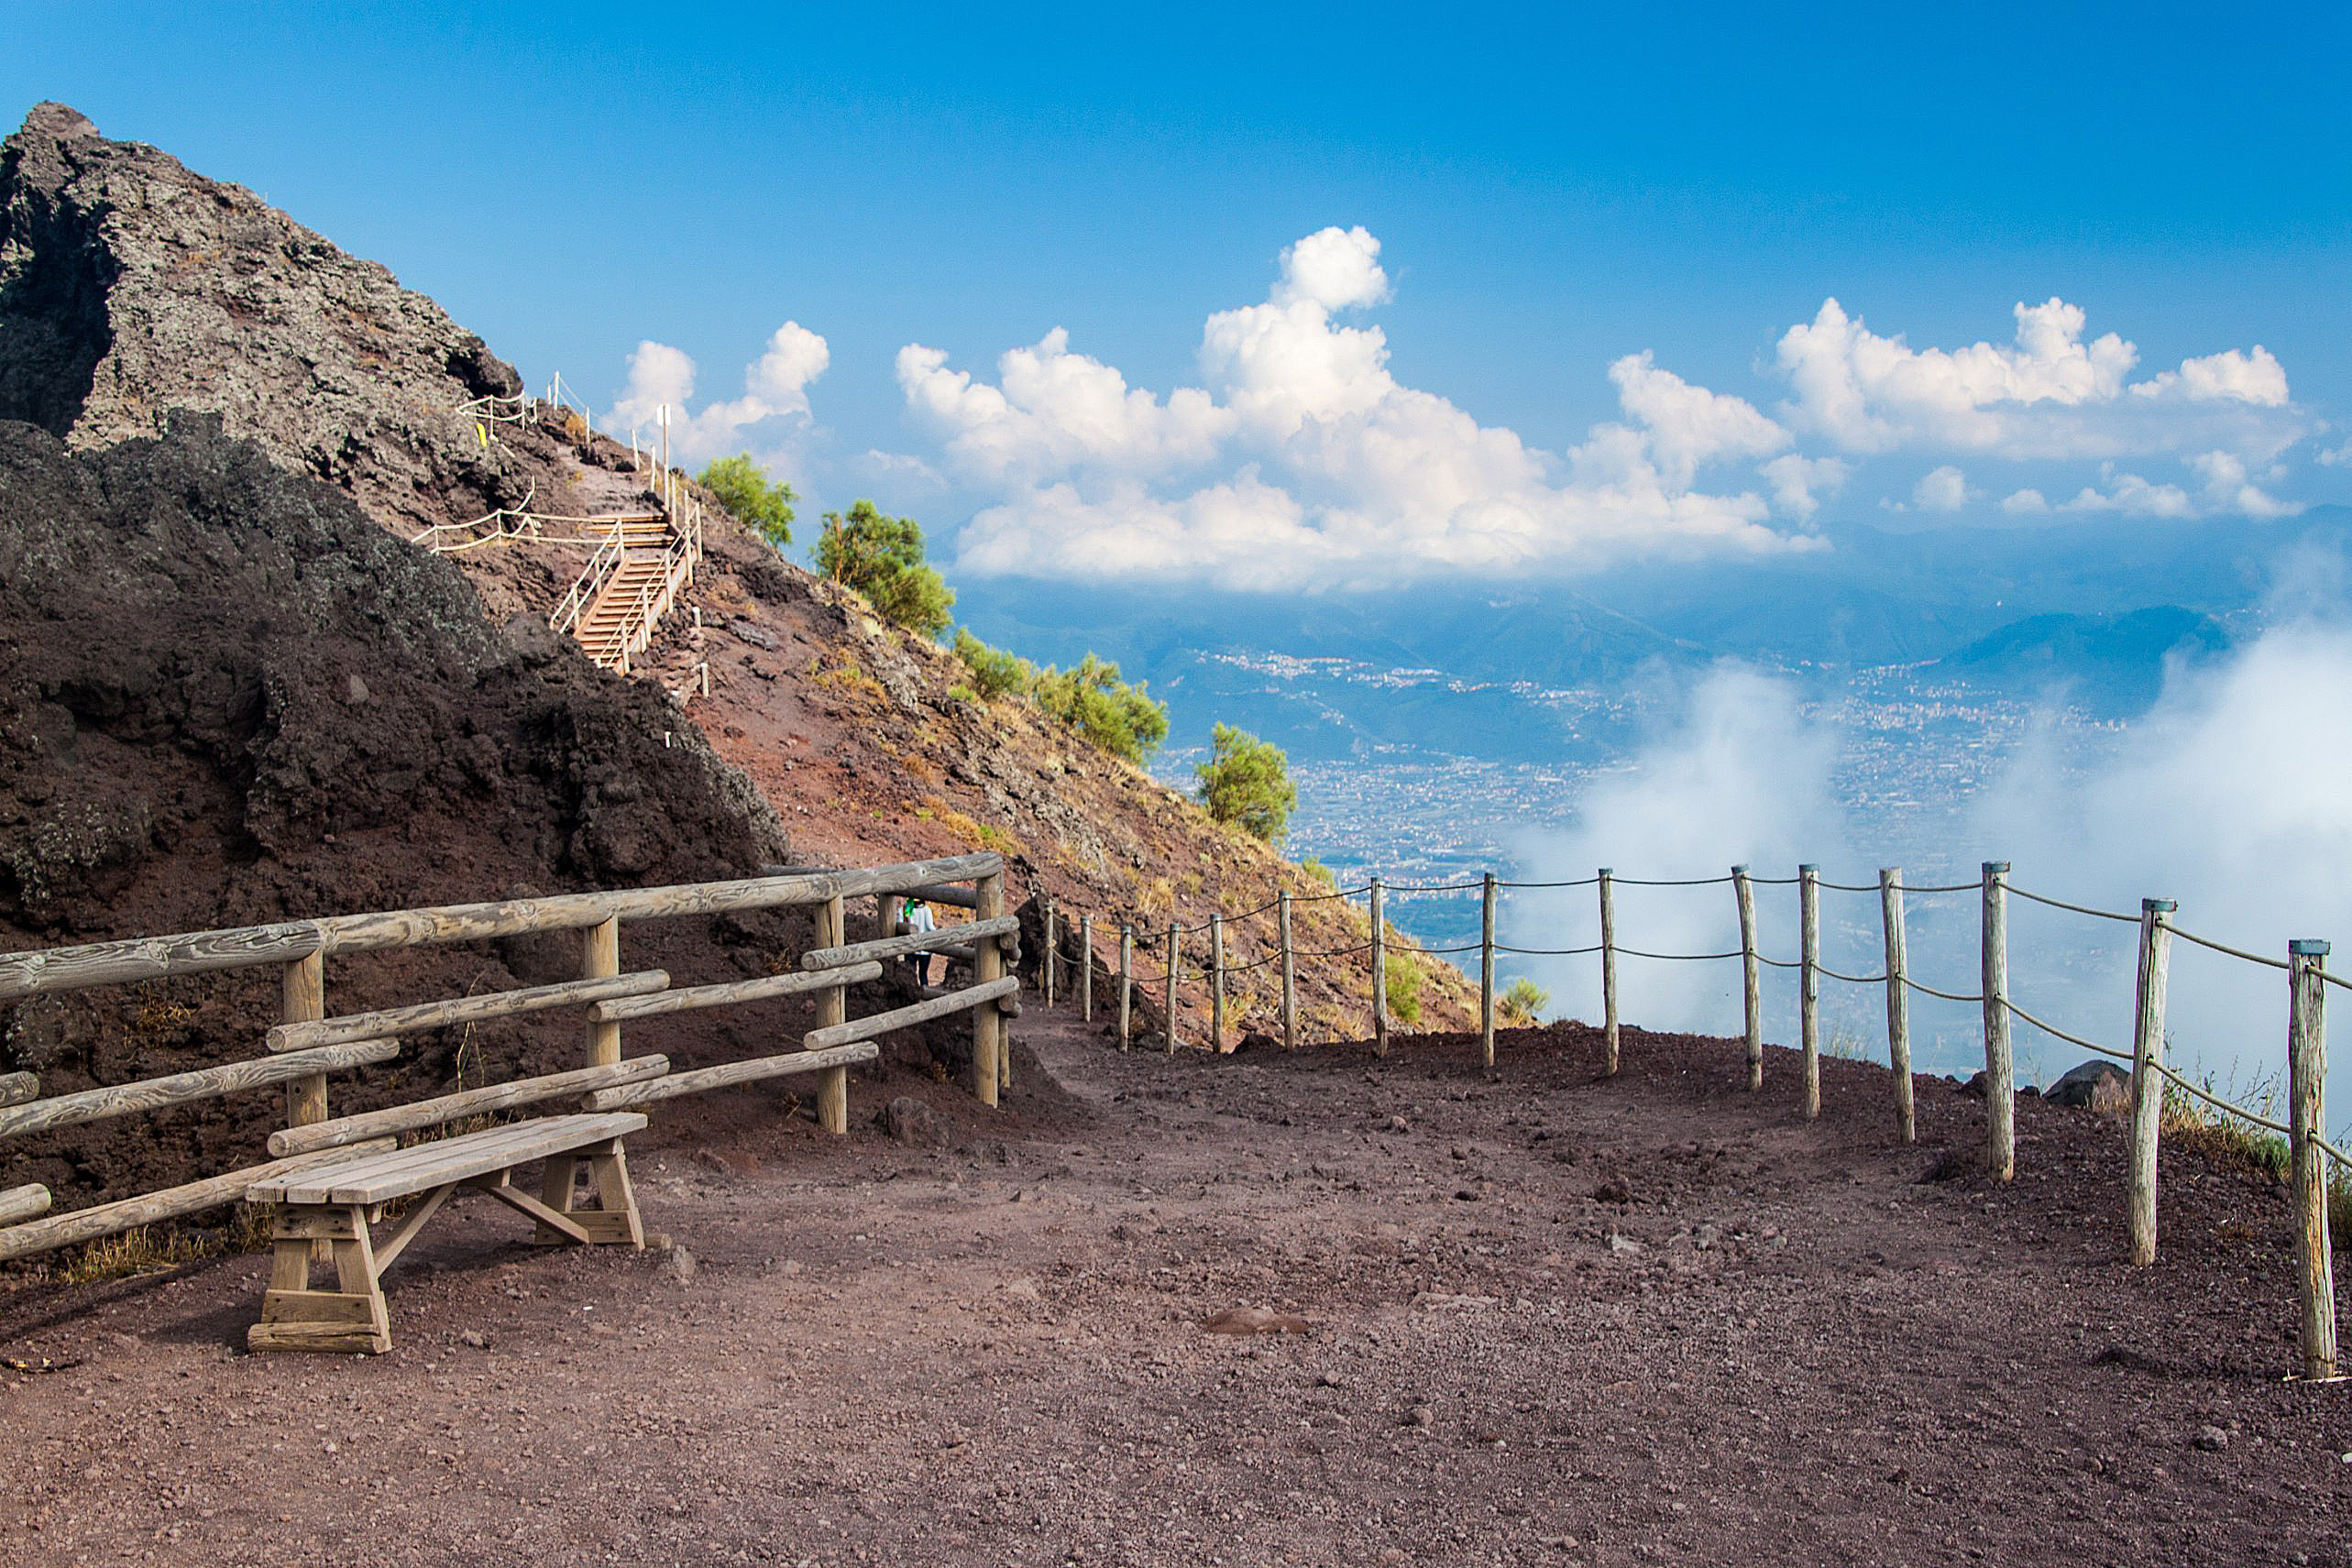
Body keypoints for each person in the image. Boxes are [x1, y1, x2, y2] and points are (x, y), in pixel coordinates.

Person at [901, 896, 938, 987]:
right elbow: (930, 926)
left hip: (911, 947)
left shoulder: (908, 908)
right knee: (923, 974)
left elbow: (905, 922)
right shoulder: (926, 910)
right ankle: (924, 994)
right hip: (924, 950)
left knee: (910, 974)